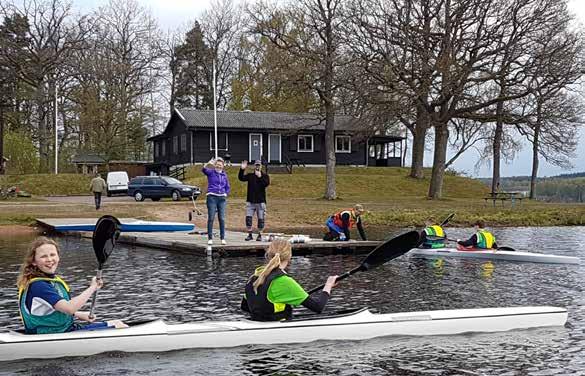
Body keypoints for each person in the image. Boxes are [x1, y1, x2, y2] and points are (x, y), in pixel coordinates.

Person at [16, 237, 126, 334]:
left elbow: (53, 308)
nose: (49, 259)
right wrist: (92, 287)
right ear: (34, 262)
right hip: (53, 334)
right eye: (43, 256)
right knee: (119, 326)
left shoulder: (48, 281)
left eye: (52, 255)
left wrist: (78, 314)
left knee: (117, 323)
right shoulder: (39, 285)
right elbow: (69, 308)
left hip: (63, 329)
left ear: (58, 256)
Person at [241, 238, 338, 321]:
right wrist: (328, 285)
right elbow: (318, 307)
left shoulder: (255, 275)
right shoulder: (284, 281)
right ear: (289, 256)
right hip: (276, 327)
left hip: (256, 323)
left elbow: (245, 307)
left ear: (269, 253)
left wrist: (279, 302)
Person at [238, 159, 270, 241]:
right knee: (248, 219)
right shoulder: (250, 176)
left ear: (261, 166)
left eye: (259, 165)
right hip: (250, 201)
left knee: (261, 220)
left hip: (260, 202)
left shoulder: (265, 176)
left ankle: (259, 235)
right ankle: (250, 234)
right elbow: (241, 178)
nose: (257, 166)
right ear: (254, 166)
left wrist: (260, 177)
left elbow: (265, 184)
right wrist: (242, 169)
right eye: (256, 165)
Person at [202, 157, 231, 247]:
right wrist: (208, 163)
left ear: (222, 166)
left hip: (221, 198)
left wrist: (225, 193)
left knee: (221, 218)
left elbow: (227, 187)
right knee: (211, 217)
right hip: (212, 197)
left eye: (220, 165)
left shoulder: (224, 175)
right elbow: (203, 169)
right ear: (215, 165)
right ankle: (210, 238)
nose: (219, 166)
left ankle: (222, 238)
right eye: (217, 165)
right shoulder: (211, 172)